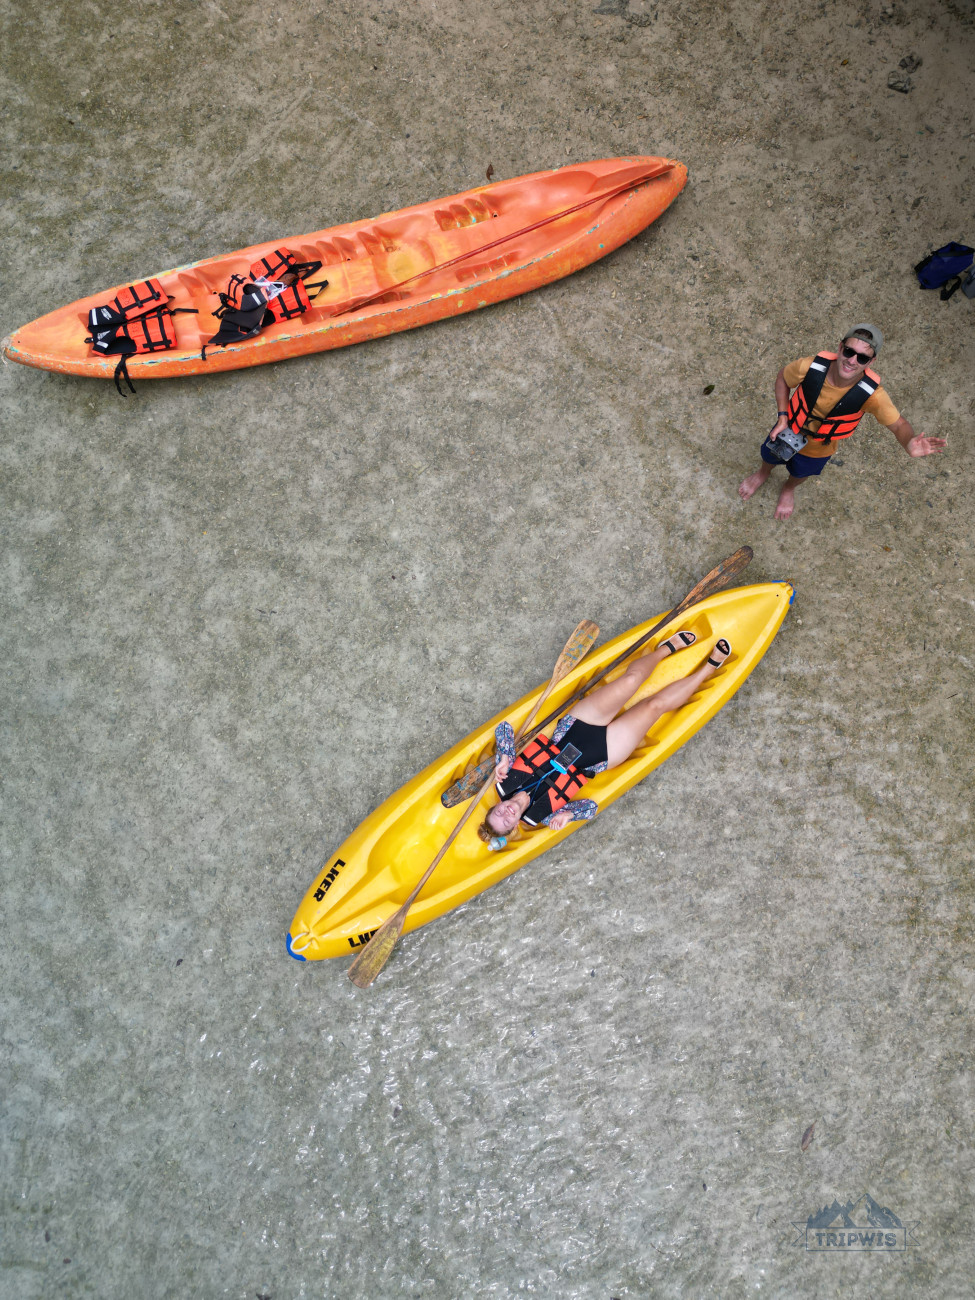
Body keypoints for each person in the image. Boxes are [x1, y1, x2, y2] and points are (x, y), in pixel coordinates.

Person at [477, 630, 731, 848]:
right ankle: (707, 670)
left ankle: (664, 650)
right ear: (512, 829)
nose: (507, 813)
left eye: (499, 812)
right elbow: (589, 808)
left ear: (496, 806)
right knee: (654, 706)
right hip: (601, 755)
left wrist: (505, 756)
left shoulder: (503, 779)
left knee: (631, 681)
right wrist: (567, 816)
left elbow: (503, 729)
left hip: (575, 728)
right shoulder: (542, 816)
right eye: (507, 821)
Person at [738, 324, 947, 521]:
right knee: (769, 455)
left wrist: (908, 442)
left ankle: (789, 488)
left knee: (801, 473)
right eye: (849, 351)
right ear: (840, 348)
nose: (852, 361)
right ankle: (763, 473)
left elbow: (899, 424)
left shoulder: (872, 395)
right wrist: (782, 416)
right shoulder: (809, 366)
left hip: (819, 449)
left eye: (863, 358)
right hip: (786, 430)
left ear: (871, 362)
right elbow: (783, 378)